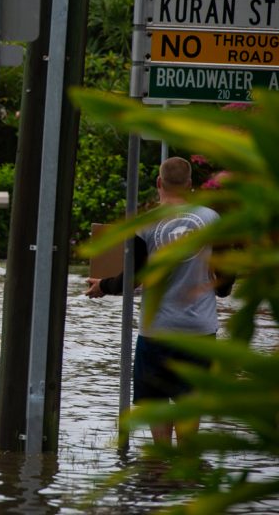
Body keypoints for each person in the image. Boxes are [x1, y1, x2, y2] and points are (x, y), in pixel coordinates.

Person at [85, 156, 233, 446]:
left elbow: (134, 278)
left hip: (156, 330)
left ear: (158, 183)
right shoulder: (212, 220)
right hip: (199, 331)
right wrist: (217, 288)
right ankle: (187, 475)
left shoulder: (145, 224)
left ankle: (159, 472)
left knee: (156, 403)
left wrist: (103, 285)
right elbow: (226, 278)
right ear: (190, 185)